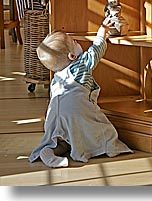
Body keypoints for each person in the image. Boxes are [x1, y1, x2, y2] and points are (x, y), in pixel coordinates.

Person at [29, 19, 133, 168]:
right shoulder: (79, 67)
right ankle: (108, 147)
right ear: (72, 56)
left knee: (64, 140)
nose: (78, 42)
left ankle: (49, 151)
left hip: (55, 115)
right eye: (74, 42)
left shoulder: (57, 77)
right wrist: (102, 32)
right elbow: (95, 51)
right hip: (76, 112)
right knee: (102, 131)